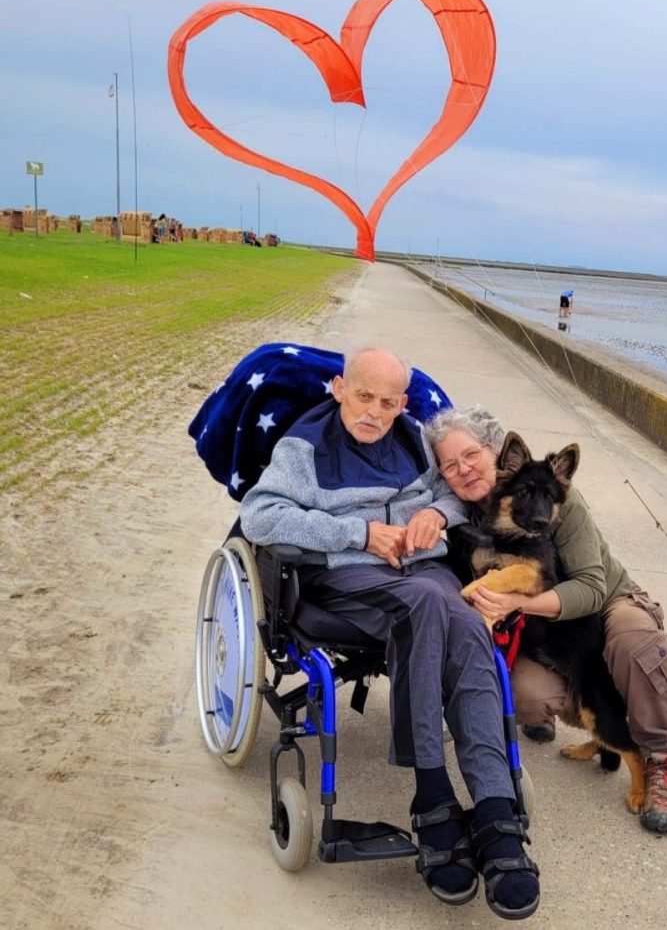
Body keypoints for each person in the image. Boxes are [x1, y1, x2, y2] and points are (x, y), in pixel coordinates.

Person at [240, 349, 540, 919]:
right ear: (338, 389)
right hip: (343, 575)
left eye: (387, 401)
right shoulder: (303, 447)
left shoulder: (412, 439)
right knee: (433, 599)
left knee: (465, 616)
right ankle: (432, 795)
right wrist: (358, 532)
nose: (374, 412)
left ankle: (496, 806)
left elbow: (454, 492)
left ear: (402, 403)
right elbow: (261, 515)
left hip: (419, 571)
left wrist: (437, 516)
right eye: (363, 397)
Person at [427, 405, 667, 836]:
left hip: (607, 600)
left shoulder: (553, 495)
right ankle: (600, 732)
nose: (464, 470)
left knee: (631, 643)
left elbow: (590, 586)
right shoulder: (465, 508)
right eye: (450, 465)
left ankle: (663, 760)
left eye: (472, 456)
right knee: (525, 695)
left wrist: (514, 602)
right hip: (557, 632)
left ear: (498, 454)